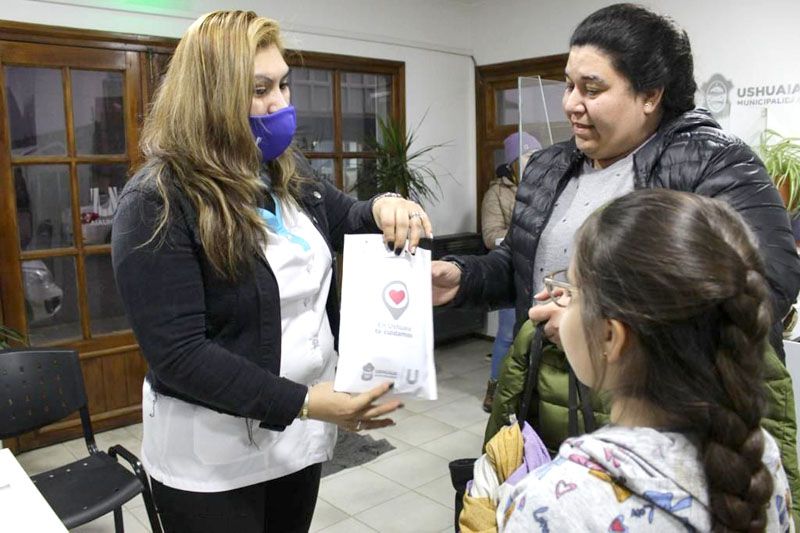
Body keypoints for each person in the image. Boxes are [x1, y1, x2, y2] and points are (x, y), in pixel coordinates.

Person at [432, 2, 800, 521]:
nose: (570, 104)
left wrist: (594, 319)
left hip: (665, 418)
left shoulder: (713, 162)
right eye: (568, 85)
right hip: (552, 403)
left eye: (592, 88)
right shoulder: (550, 167)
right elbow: (521, 262)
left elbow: (762, 286)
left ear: (651, 94)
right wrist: (463, 278)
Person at [112, 10, 431, 533]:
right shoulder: (157, 202)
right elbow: (180, 355)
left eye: (283, 84)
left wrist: (384, 205)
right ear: (210, 97)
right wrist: (304, 402)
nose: (280, 103)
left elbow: (348, 217)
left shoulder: (285, 172)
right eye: (260, 90)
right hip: (213, 458)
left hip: (297, 437)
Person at [497, 189, 794, 532]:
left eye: (573, 291)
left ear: (610, 336)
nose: (559, 302)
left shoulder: (553, 503)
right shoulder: (758, 459)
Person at [481, 132, 541, 413]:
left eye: (535, 157)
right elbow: (490, 236)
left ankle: (527, 390)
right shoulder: (497, 193)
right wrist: (524, 235)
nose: (532, 163)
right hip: (512, 269)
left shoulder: (545, 186)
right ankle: (494, 388)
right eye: (526, 157)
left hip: (539, 270)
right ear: (513, 163)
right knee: (507, 333)